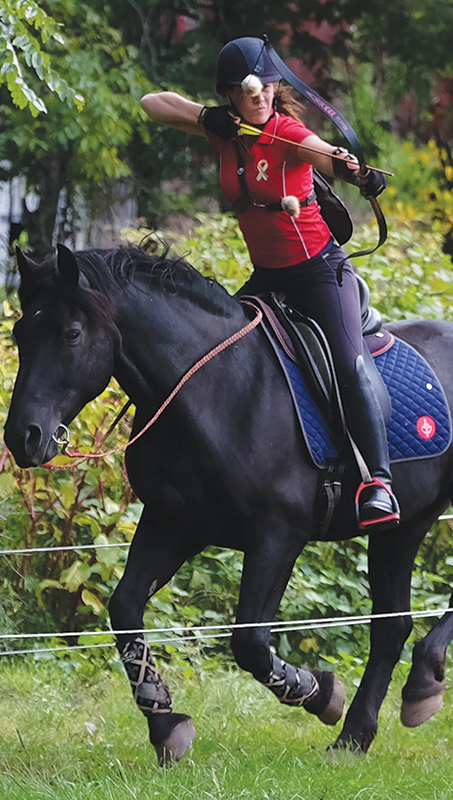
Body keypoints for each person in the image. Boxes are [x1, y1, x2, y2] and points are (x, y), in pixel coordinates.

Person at [140, 36, 400, 530]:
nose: (258, 96)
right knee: (215, 358)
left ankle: (379, 484)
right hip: (269, 278)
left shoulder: (289, 133)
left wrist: (357, 173)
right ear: (231, 95)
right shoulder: (225, 132)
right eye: (245, 89)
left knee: (348, 362)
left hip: (321, 272)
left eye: (264, 87)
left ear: (275, 88)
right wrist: (204, 116)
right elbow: (152, 104)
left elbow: (325, 155)